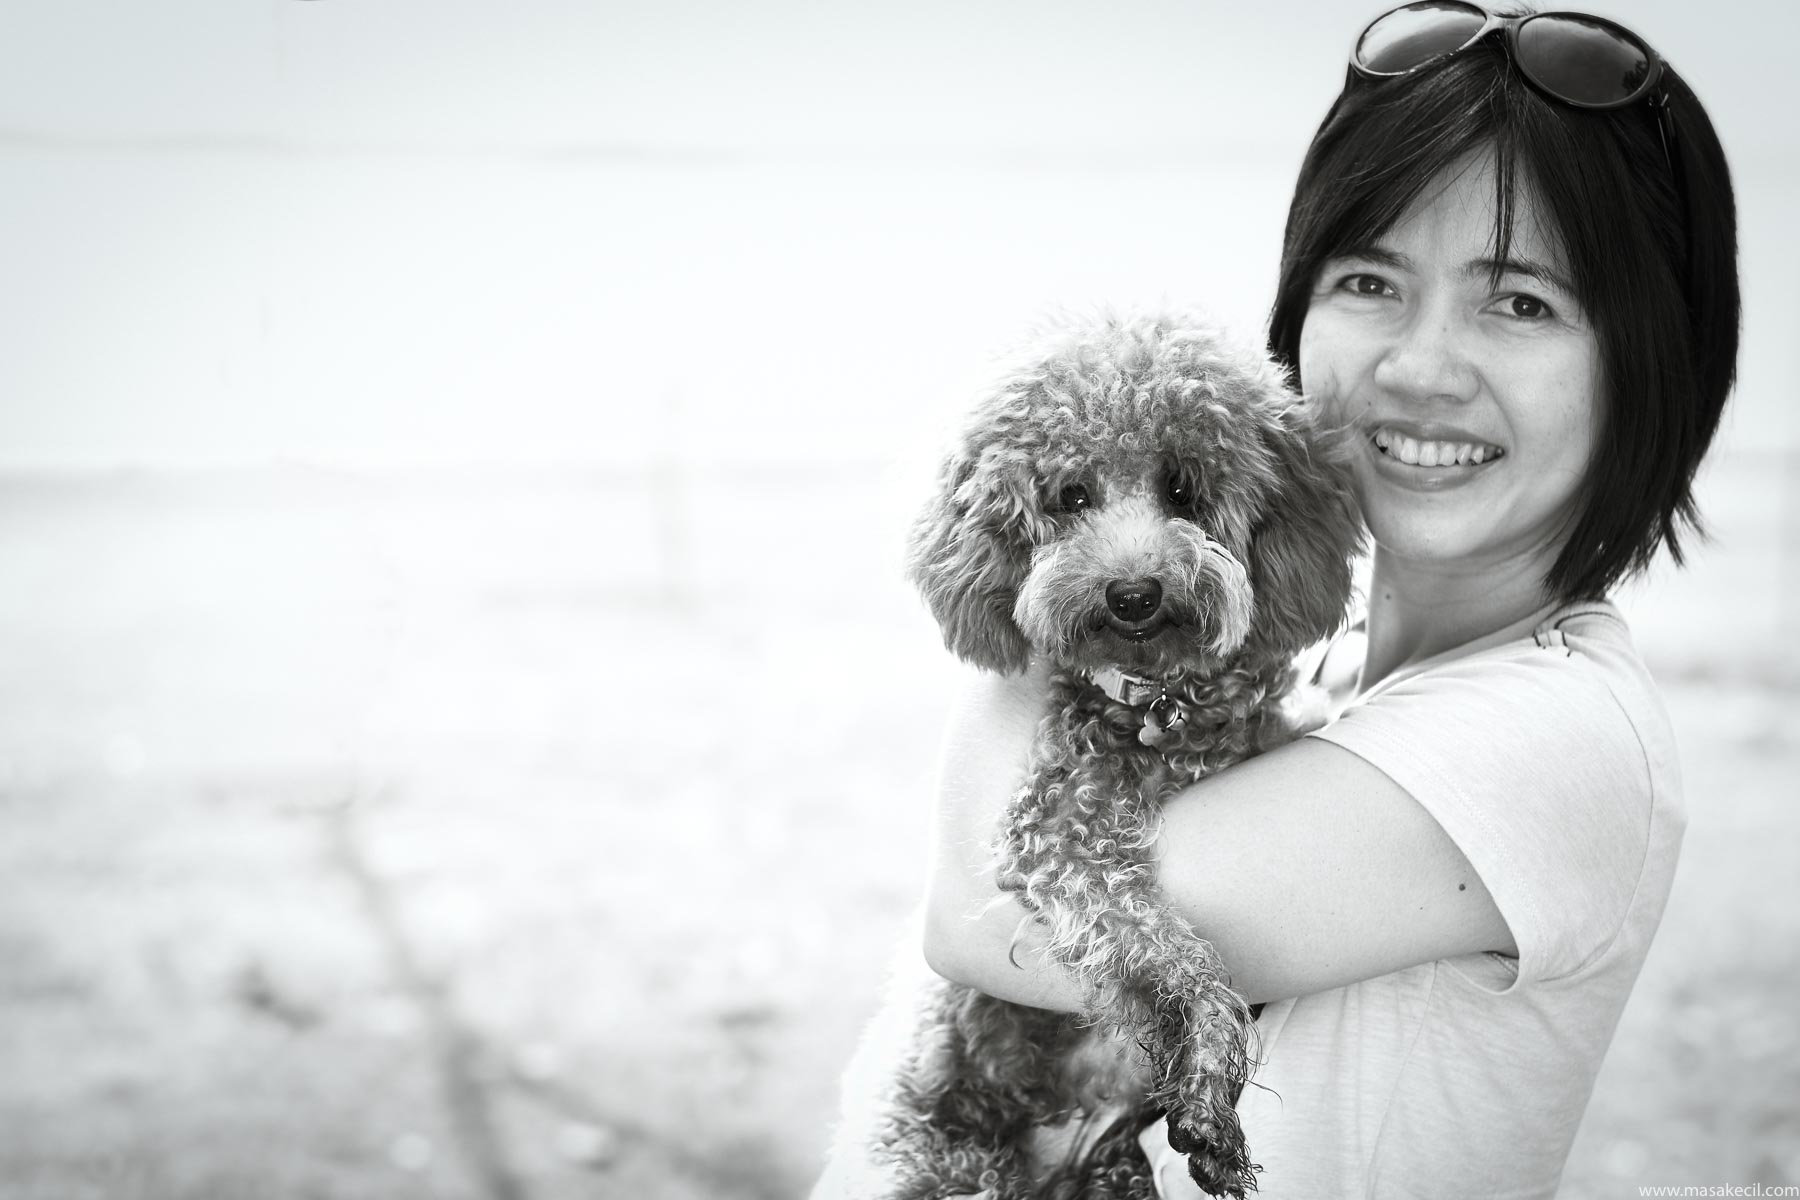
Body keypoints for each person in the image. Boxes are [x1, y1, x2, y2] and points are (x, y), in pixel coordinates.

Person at [916, 3, 1739, 1197]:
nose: (1418, 366)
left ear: (1648, 364)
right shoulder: (1329, 679)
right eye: (1371, 280)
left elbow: (991, 914)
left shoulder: (1549, 740)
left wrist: (1058, 617)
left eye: (1520, 302)